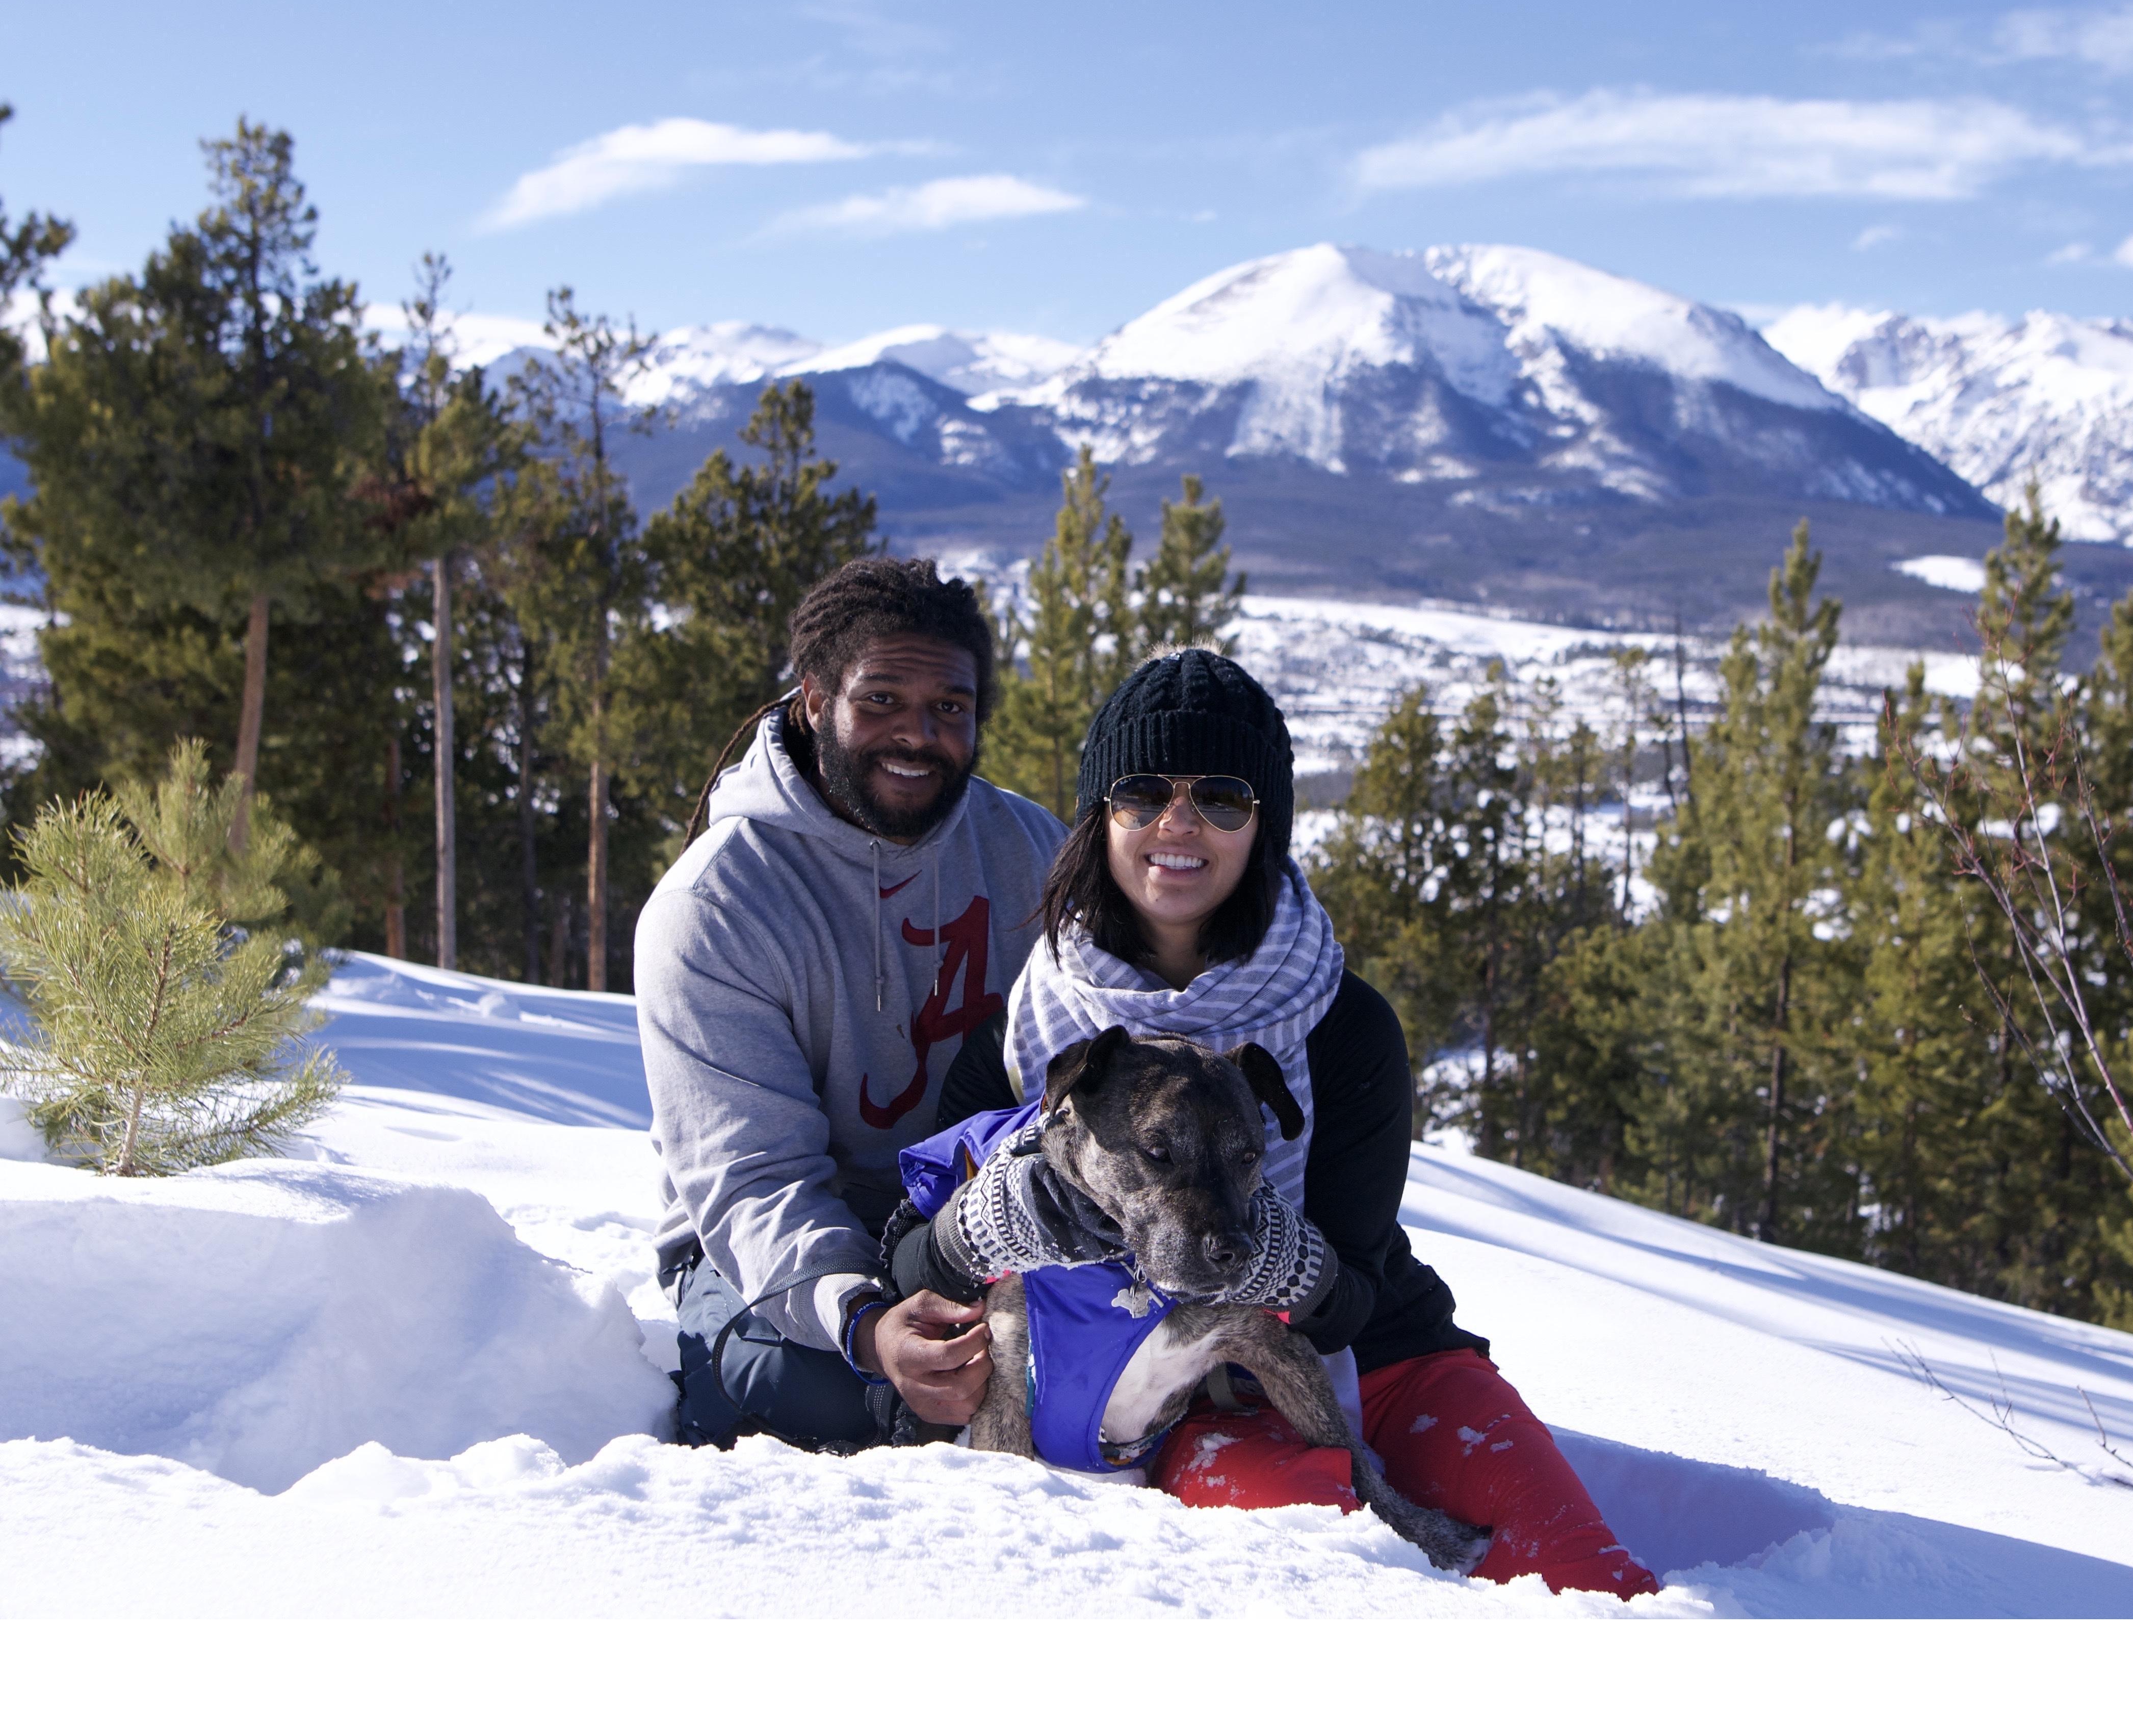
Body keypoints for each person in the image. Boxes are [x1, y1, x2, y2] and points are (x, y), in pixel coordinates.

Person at [926, 647, 1661, 1600]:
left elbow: (1357, 1289)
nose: (1178, 823)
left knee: (1589, 1585)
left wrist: (1284, 1260)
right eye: (1142, 792)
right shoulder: (1037, 1036)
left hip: (1384, 1360)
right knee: (1344, 1571)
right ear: (1098, 817)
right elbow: (915, 1260)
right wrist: (978, 1225)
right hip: (1167, 1403)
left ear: (1264, 823)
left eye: (1223, 796)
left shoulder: (1343, 1024)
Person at [636, 556, 1063, 1454]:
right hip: (767, 1252)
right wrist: (868, 1324)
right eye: (881, 701)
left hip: (974, 1229)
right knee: (854, 1406)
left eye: (949, 707)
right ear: (816, 696)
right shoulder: (714, 907)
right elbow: (753, 1179)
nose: (917, 734)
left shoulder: (1029, 851)